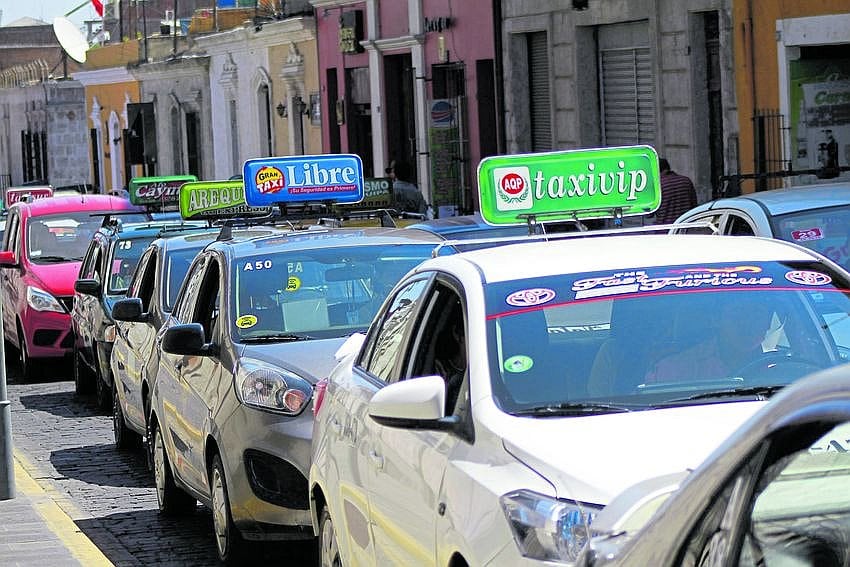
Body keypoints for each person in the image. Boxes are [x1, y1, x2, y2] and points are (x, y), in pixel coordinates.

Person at [644, 297, 774, 384]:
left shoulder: (785, 367)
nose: (747, 323)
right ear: (716, 320)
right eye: (738, 313)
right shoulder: (672, 370)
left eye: (757, 314)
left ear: (768, 322)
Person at [654, 158, 697, 225]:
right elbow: (694, 206)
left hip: (665, 229)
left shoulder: (657, 186)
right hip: (685, 227)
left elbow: (649, 214)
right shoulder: (686, 181)